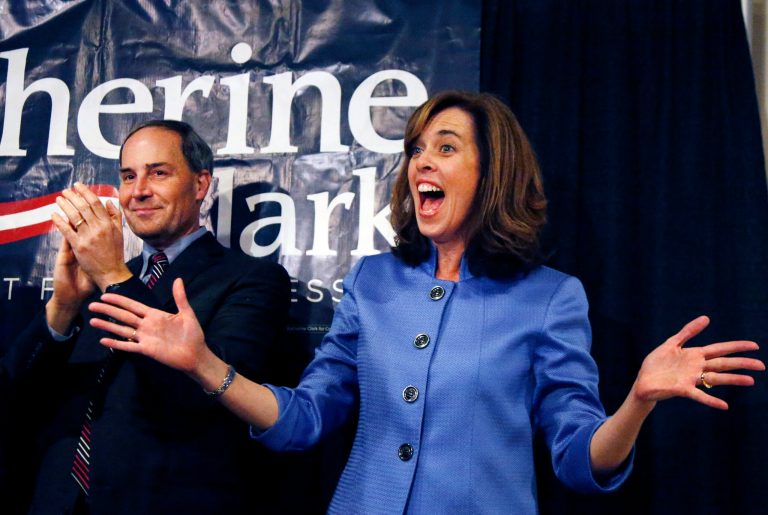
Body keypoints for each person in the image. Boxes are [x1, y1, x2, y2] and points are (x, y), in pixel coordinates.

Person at [88, 92, 764, 514]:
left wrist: (637, 400)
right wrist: (206, 364)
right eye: (416, 149)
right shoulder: (375, 280)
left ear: (492, 171)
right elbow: (303, 418)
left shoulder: (550, 298)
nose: (421, 163)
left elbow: (580, 461)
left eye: (446, 147)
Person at [1, 120, 291, 513]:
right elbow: (17, 393)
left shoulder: (251, 279)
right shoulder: (97, 279)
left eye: (158, 173)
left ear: (201, 185)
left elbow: (212, 398)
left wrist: (113, 277)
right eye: (128, 176)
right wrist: (63, 307)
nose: (138, 191)